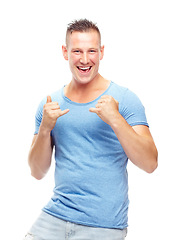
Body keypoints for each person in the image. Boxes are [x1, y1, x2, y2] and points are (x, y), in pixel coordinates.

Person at [24, 19, 158, 240]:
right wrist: (46, 128)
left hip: (103, 226)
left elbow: (150, 163)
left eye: (91, 51)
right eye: (77, 51)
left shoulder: (124, 99)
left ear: (102, 52)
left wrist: (115, 119)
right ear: (65, 52)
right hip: (55, 216)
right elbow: (37, 172)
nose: (85, 60)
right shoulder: (50, 104)